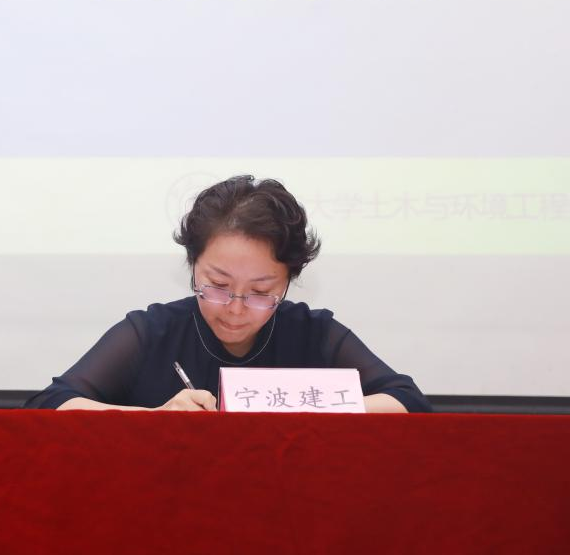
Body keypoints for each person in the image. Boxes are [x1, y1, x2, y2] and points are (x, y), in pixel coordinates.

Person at [26, 175, 430, 413]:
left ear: (288, 281)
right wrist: (153, 416)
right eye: (218, 286)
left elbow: (408, 401)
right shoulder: (152, 332)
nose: (236, 309)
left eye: (261, 292)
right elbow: (52, 403)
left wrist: (289, 405)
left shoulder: (313, 333)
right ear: (192, 265)